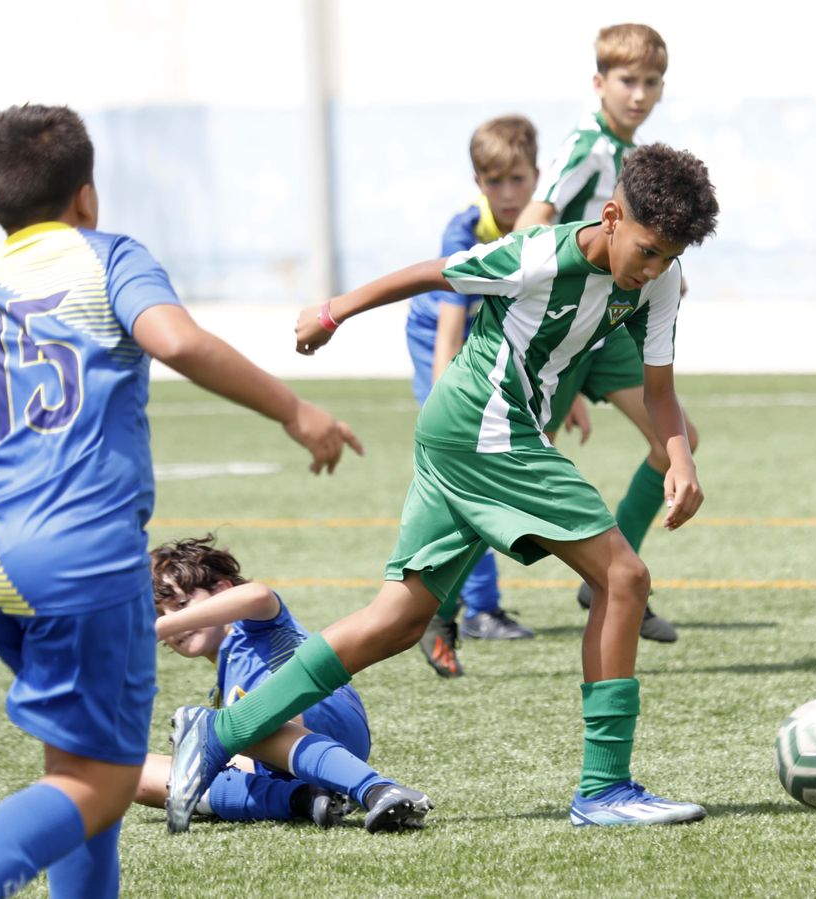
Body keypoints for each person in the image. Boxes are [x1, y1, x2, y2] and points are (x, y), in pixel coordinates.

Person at [0, 104, 362, 899]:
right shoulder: (109, 257)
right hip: (82, 557)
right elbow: (177, 340)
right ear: (87, 197)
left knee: (80, 763)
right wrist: (296, 410)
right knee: (104, 780)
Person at [171, 142, 720, 828]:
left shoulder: (660, 280)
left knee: (397, 622)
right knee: (624, 577)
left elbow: (660, 391)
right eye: (648, 251)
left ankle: (219, 732)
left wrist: (680, 459)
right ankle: (605, 788)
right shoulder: (537, 256)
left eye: (670, 256)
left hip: (464, 432)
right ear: (612, 217)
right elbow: (432, 273)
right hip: (482, 426)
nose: (655, 268)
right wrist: (333, 312)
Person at [513, 23, 696, 644]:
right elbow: (535, 220)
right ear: (599, 82)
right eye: (627, 80)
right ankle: (442, 608)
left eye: (651, 82)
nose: (639, 94)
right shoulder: (585, 146)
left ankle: (611, 581)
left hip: (606, 326)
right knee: (513, 465)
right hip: (559, 325)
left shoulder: (632, 157)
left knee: (677, 441)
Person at [135, 536, 430, 833]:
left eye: (181, 605)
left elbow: (258, 595)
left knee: (241, 723)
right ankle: (305, 800)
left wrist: (158, 627)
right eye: (159, 613)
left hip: (325, 715)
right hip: (289, 759)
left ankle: (377, 789)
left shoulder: (252, 625)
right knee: (134, 773)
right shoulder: (223, 680)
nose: (172, 620)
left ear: (222, 589)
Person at [405, 115, 542, 678]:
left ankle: (472, 604)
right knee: (469, 465)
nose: (507, 194)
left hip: (492, 339)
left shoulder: (542, 225)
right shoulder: (463, 232)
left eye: (518, 179)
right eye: (494, 182)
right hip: (437, 334)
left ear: (537, 176)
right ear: (478, 183)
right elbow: (448, 327)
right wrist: (443, 402)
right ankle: (476, 607)